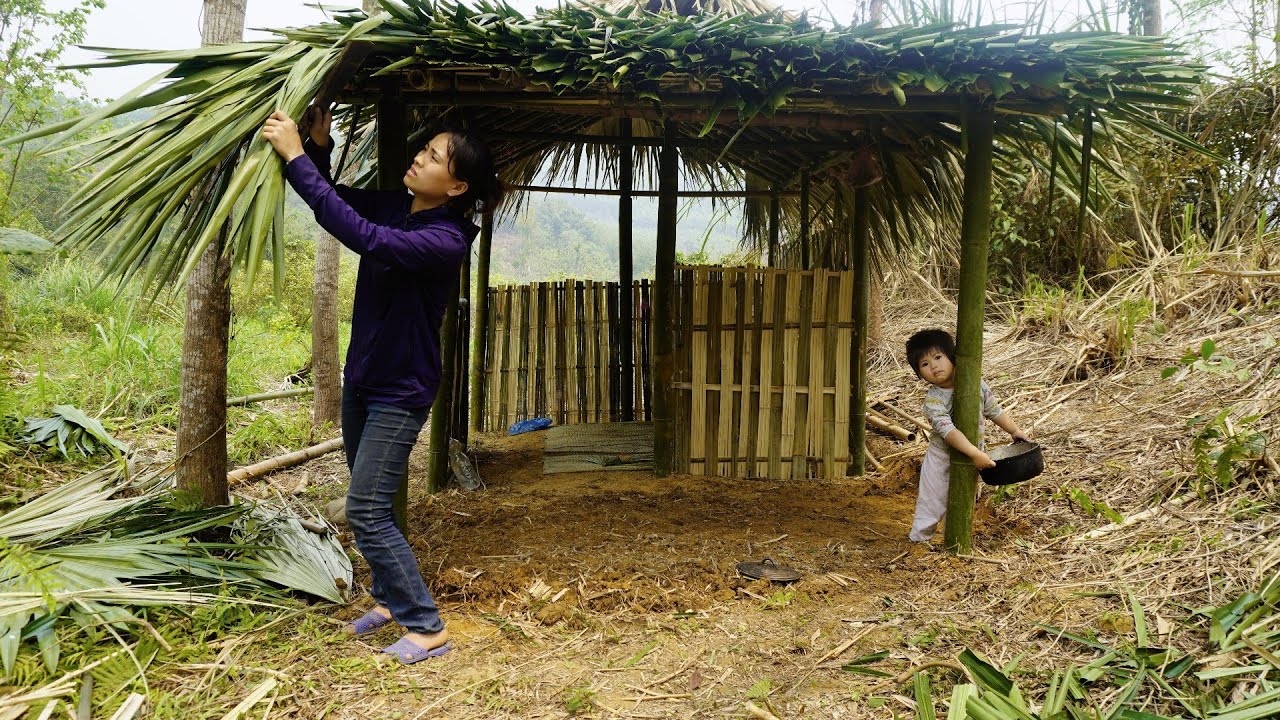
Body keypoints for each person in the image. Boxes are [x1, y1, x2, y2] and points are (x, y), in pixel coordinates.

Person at [262, 105, 503, 664]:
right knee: (374, 503)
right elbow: (334, 199)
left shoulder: (445, 239)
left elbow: (361, 235)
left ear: (457, 186)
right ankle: (391, 602)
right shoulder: (399, 205)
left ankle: (426, 626)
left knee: (366, 508)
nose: (419, 157)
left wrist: (295, 155)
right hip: (364, 378)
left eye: (434, 157)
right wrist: (316, 148)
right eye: (424, 149)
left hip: (401, 390)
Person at [905, 329, 1029, 544]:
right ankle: (919, 541)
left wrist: (1014, 431)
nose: (933, 366)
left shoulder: (976, 384)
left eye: (938, 357)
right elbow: (949, 432)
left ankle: (954, 541)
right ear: (919, 373)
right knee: (932, 501)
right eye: (924, 364)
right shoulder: (933, 401)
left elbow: (994, 411)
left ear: (952, 356)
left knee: (963, 500)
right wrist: (974, 453)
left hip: (973, 456)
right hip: (941, 458)